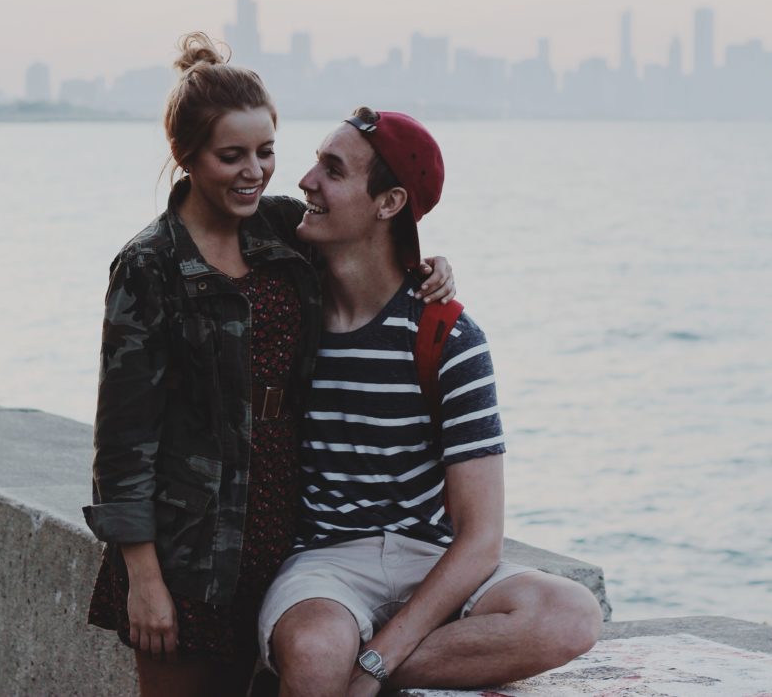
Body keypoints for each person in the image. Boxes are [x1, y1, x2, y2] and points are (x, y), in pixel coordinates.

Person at [82, 35, 454, 697]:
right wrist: (143, 578)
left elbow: (369, 252)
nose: (254, 171)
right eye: (231, 156)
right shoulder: (149, 266)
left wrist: (430, 268)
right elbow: (122, 439)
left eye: (266, 151)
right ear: (186, 156)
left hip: (289, 538)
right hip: (190, 547)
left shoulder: (284, 228)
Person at [257, 108, 603, 696]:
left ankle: (352, 670)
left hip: (430, 557)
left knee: (568, 614)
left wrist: (376, 663)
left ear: (389, 203)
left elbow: (481, 537)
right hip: (325, 562)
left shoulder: (447, 336)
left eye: (333, 170)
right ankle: (332, 667)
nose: (306, 180)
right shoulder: (290, 313)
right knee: (315, 651)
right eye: (316, 162)